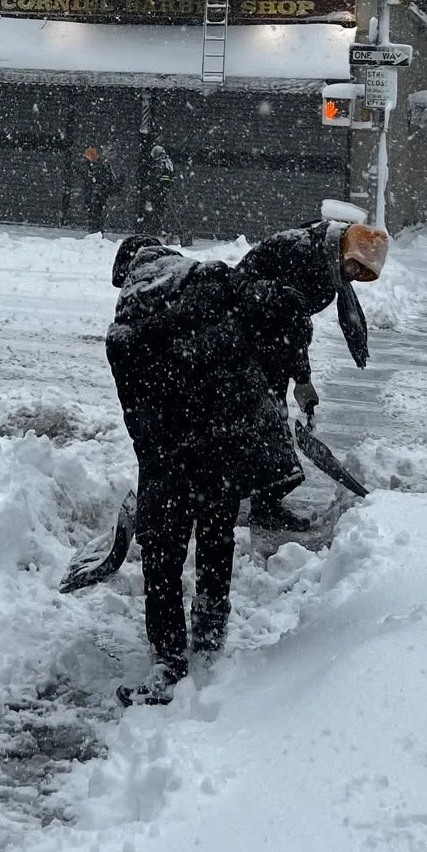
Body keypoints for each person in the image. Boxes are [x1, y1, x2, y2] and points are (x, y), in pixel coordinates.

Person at [105, 235, 307, 705]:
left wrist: (153, 472)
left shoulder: (126, 327)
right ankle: (211, 632)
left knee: (162, 551)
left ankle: (169, 660)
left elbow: (137, 414)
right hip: (226, 435)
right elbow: (283, 307)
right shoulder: (214, 281)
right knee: (217, 532)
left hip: (173, 445)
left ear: (129, 276)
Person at [232, 218, 390, 525]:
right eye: (354, 266)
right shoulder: (307, 258)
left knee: (260, 417)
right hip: (249, 332)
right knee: (267, 421)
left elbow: (291, 323)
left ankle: (247, 489)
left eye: (362, 272)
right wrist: (302, 379)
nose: (353, 275)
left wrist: (297, 375)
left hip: (267, 333)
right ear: (345, 249)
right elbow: (292, 323)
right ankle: (261, 500)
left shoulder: (326, 256)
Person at [79, 144, 116, 233]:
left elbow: (106, 180)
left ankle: (96, 231)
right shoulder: (91, 165)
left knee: (96, 212)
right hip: (94, 194)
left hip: (98, 194)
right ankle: (95, 230)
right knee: (94, 212)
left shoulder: (102, 165)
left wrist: (99, 188)